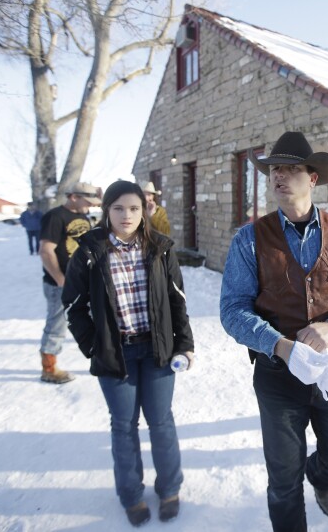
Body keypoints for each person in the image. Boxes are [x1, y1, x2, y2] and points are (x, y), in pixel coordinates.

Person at [220, 131, 328, 532]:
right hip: (279, 376)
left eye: (291, 169)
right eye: (274, 169)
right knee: (282, 480)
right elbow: (232, 309)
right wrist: (278, 345)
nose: (279, 176)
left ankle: (322, 474)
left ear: (312, 178)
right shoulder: (250, 239)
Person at [62, 180, 195, 527]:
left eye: (134, 208)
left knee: (161, 422)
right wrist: (93, 345)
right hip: (115, 353)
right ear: (107, 209)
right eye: (118, 208)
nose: (127, 215)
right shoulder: (89, 251)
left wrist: (185, 344)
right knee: (124, 426)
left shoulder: (160, 248)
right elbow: (73, 306)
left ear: (144, 210)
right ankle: (131, 496)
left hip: (157, 350)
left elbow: (177, 301)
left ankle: (169, 489)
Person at [37, 182, 101, 384]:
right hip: (60, 284)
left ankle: (100, 357)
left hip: (82, 281)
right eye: (87, 201)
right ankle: (49, 368)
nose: (90, 206)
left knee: (92, 319)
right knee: (57, 324)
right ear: (73, 196)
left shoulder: (82, 215)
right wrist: (60, 280)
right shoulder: (55, 217)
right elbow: (46, 250)